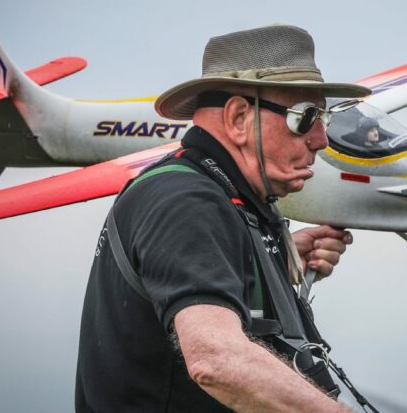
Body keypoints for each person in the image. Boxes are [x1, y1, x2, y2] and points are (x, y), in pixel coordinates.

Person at [75, 24, 373, 412]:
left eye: (324, 119)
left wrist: (273, 262)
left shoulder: (217, 191)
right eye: (305, 117)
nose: (320, 139)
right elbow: (215, 359)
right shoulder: (186, 201)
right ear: (237, 118)